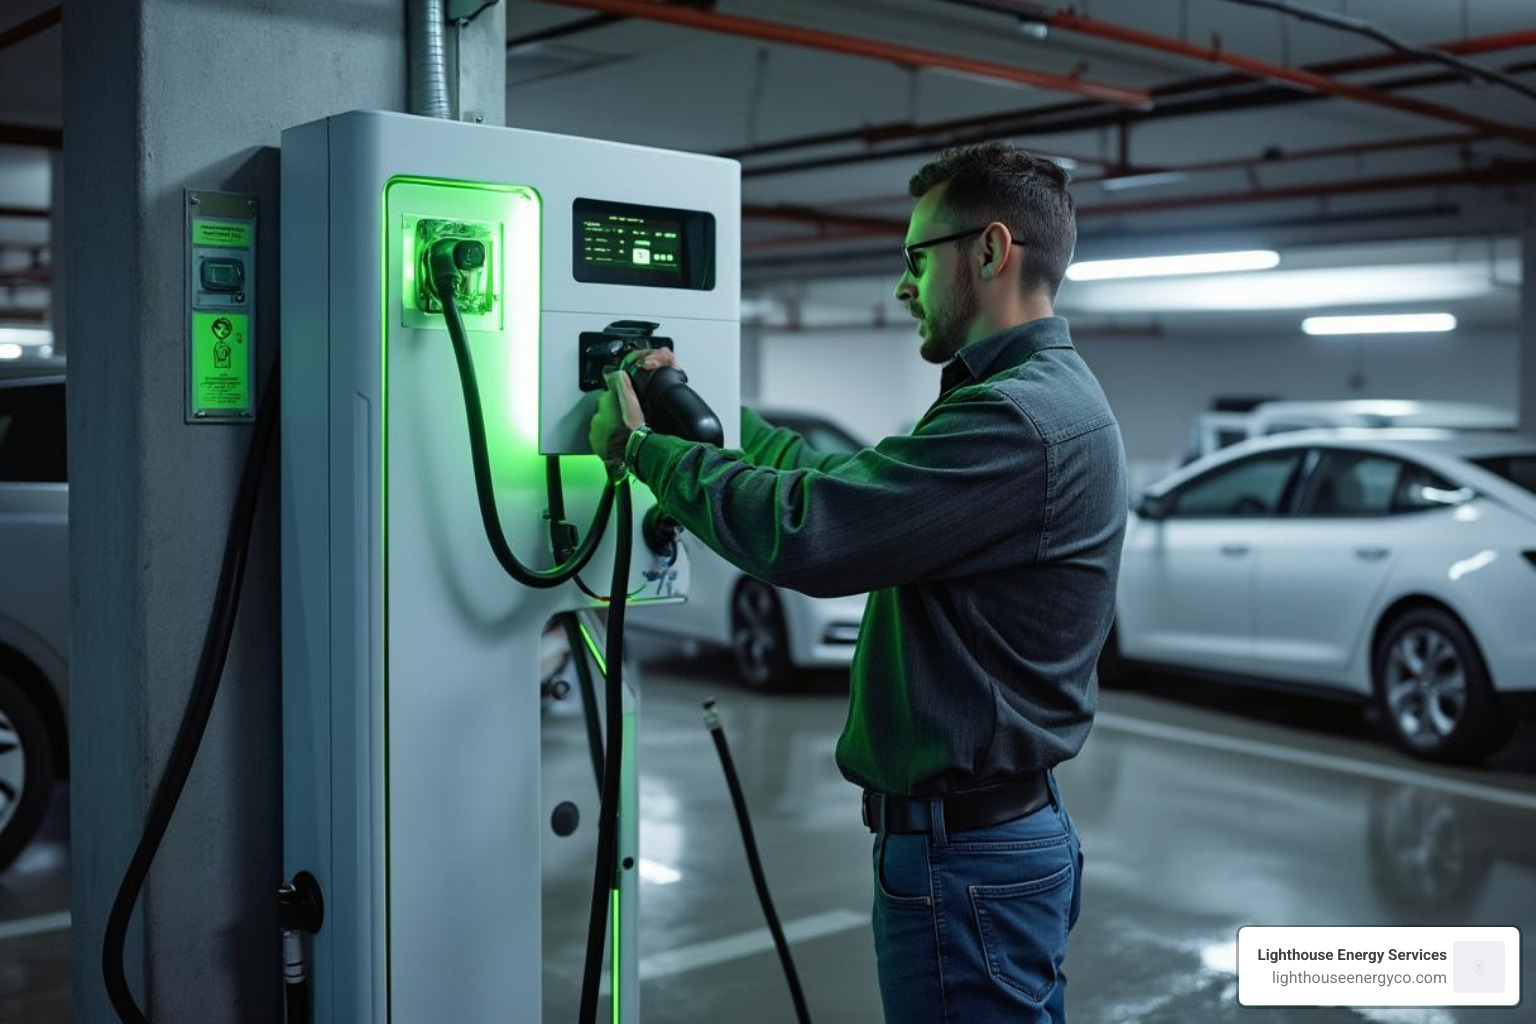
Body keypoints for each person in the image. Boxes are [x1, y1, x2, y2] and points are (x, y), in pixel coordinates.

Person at [590, 141, 1126, 1024]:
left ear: (989, 252)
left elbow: (813, 534)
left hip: (969, 858)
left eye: (917, 257)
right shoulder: (1037, 399)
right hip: (986, 844)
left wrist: (645, 450)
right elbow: (845, 486)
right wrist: (711, 407)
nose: (902, 285)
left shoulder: (1018, 420)